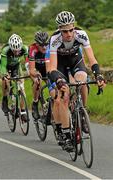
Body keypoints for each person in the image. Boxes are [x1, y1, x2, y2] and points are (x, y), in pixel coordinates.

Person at [47, 11, 105, 152]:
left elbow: (91, 59)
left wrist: (98, 75)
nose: (68, 34)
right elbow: (52, 67)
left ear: (74, 27)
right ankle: (66, 134)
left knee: (82, 81)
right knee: (64, 95)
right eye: (65, 31)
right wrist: (59, 80)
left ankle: (83, 111)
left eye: (71, 29)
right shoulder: (54, 39)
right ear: (60, 30)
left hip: (75, 62)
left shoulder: (81, 34)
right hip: (59, 65)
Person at [0, 33, 28, 121]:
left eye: (18, 50)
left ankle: (22, 111)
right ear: (11, 47)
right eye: (14, 50)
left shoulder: (24, 49)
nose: (17, 52)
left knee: (22, 87)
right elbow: (3, 66)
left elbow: (27, 62)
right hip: (4, 66)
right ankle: (4, 100)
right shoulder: (5, 50)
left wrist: (30, 72)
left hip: (16, 66)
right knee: (5, 81)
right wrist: (4, 75)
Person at [25, 31, 49, 120]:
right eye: (41, 45)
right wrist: (36, 74)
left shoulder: (50, 47)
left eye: (46, 44)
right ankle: (35, 103)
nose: (44, 47)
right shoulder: (32, 48)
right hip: (33, 65)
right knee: (37, 80)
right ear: (36, 43)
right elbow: (31, 70)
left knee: (52, 81)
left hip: (44, 65)